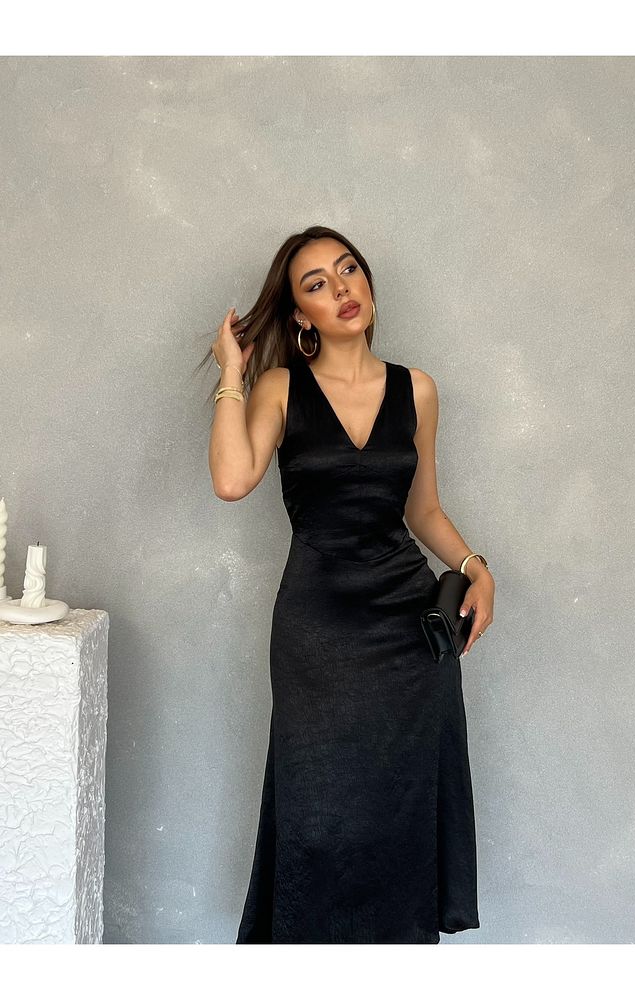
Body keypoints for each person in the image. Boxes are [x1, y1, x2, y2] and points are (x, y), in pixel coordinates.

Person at [202, 224, 495, 944]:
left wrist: (473, 567)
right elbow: (232, 479)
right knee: (318, 818)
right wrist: (232, 372)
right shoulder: (278, 387)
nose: (340, 289)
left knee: (398, 816)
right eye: (316, 284)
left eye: (348, 270)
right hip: (317, 634)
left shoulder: (417, 390)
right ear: (299, 314)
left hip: (407, 635)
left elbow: (422, 510)